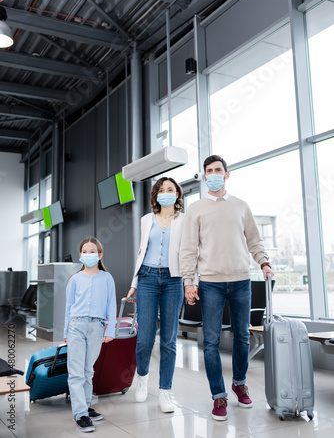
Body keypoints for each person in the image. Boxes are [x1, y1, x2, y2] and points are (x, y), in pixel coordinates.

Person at [179, 155, 274, 421]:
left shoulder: (241, 206)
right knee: (211, 342)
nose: (213, 174)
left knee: (242, 336)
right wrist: (189, 282)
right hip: (210, 283)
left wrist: (264, 263)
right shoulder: (196, 209)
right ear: (205, 176)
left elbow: (254, 239)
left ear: (227, 174)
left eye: (218, 170)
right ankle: (218, 396)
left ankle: (239, 383)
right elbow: (188, 249)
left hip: (241, 279)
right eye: (208, 171)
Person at [127, 177, 193, 413]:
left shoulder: (185, 221)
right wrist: (134, 282)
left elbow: (188, 253)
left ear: (177, 195)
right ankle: (142, 376)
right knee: (145, 337)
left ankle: (165, 391)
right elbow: (141, 252)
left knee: (169, 339)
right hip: (147, 277)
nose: (166, 193)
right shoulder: (146, 220)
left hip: (173, 280)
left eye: (170, 190)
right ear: (156, 195)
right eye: (161, 190)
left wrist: (189, 283)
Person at [64, 237, 117, 433]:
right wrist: (66, 334)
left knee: (88, 371)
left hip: (97, 327)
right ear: (80, 255)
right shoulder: (75, 279)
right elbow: (68, 309)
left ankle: (85, 406)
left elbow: (111, 305)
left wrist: (110, 330)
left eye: (92, 251)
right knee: (76, 372)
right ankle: (80, 415)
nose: (88, 254)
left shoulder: (107, 278)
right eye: (84, 251)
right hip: (76, 326)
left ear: (99, 255)